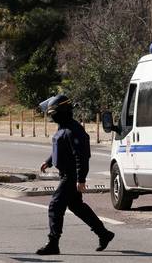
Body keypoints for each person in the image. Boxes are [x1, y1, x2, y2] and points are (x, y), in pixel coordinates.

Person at [35, 94, 115, 255]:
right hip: (66, 174)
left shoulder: (75, 130)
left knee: (55, 206)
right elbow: (62, 148)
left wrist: (81, 179)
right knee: (77, 206)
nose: (51, 116)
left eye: (53, 112)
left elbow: (81, 156)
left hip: (71, 176)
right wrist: (49, 161)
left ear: (62, 111)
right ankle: (104, 233)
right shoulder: (64, 127)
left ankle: (53, 243)